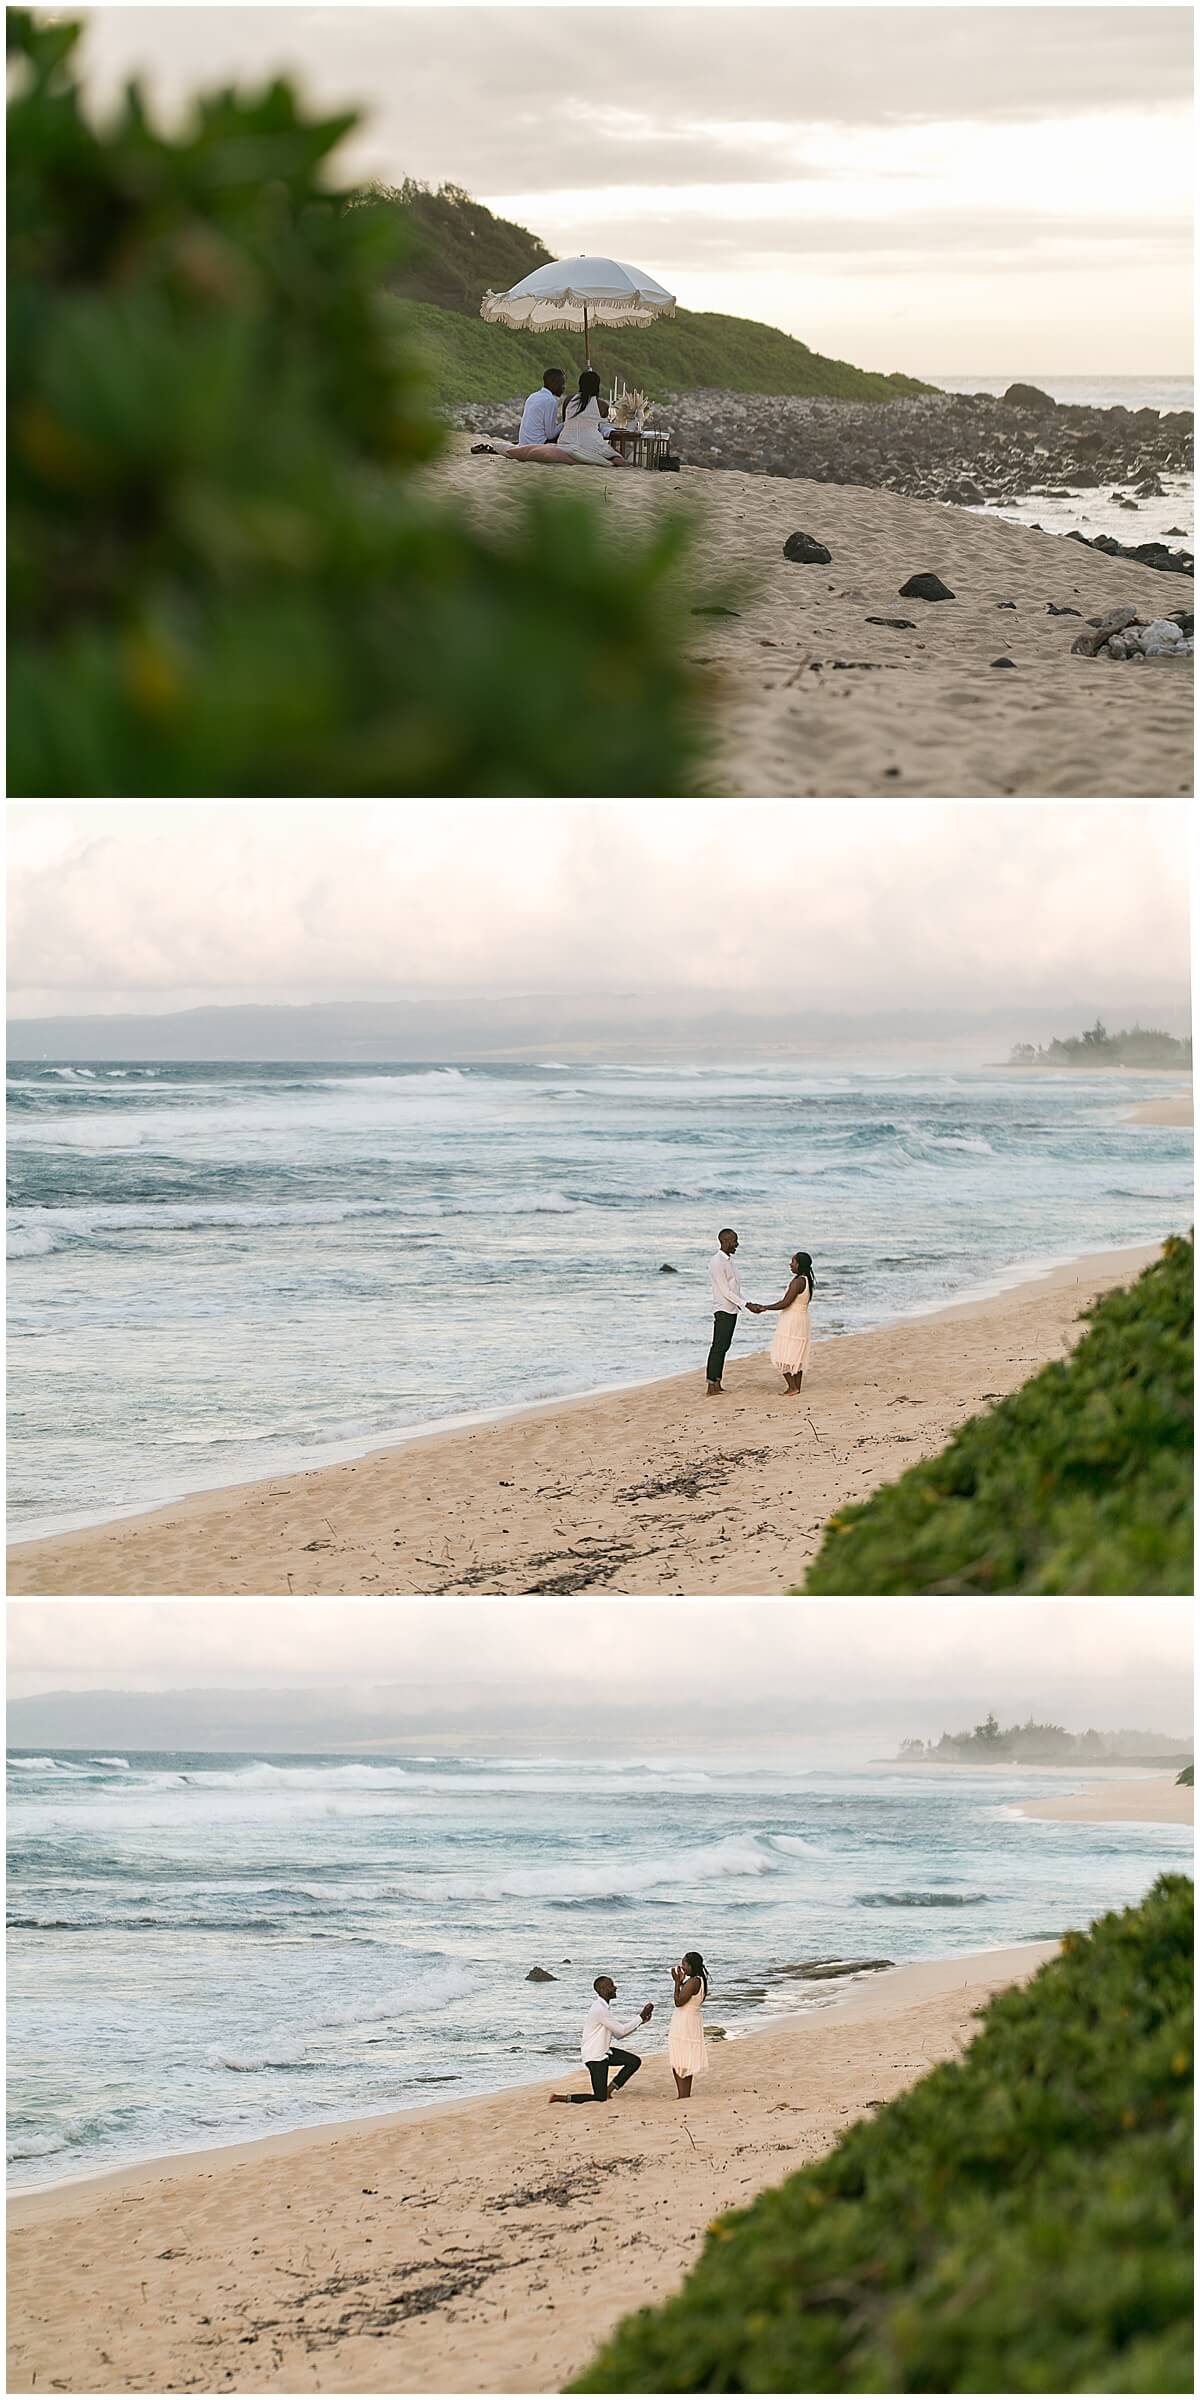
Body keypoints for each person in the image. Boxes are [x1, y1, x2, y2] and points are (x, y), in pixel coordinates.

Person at [549, 1975, 654, 2104]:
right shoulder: (599, 2009)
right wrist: (641, 2017)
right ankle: (561, 2098)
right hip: (595, 2057)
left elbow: (619, 2035)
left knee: (634, 2061)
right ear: (603, 1989)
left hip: (605, 2053)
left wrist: (641, 2021)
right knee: (599, 2097)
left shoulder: (603, 2008)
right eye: (611, 1985)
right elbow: (621, 2031)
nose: (615, 1987)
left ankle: (609, 2089)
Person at [749, 1250, 816, 1394]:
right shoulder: (806, 1280)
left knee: (782, 1354)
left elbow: (785, 1303)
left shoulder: (798, 1281)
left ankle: (792, 1387)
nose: (790, 1264)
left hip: (792, 1319)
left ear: (799, 1264)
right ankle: (796, 1387)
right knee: (796, 1354)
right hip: (802, 1319)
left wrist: (765, 1307)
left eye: (793, 1262)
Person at [706, 1227, 746, 1395]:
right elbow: (725, 1291)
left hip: (732, 1309)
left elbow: (735, 1289)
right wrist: (746, 1304)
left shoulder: (729, 1261)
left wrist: (746, 1303)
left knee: (725, 1346)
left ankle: (718, 1382)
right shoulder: (717, 1262)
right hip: (722, 1309)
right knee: (718, 1347)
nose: (737, 1244)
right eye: (734, 1241)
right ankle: (711, 1385)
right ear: (724, 1241)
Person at [667, 1951, 709, 2098]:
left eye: (684, 1964)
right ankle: (685, 2094)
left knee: (679, 2059)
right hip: (692, 2019)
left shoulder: (693, 1982)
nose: (682, 1966)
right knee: (686, 2059)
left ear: (691, 1965)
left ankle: (682, 2095)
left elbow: (678, 2001)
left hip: (684, 2021)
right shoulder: (700, 1981)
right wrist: (681, 1981)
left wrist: (677, 1982)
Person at [507, 368, 566, 460]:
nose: (564, 387)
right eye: (562, 384)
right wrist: (565, 424)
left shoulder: (533, 396)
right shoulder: (551, 401)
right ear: (553, 383)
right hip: (538, 444)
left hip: (523, 443)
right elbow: (550, 435)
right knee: (566, 428)